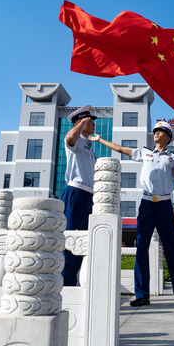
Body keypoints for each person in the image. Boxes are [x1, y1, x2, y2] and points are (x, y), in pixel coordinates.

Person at [91, 121, 174, 306]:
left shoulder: (173, 159)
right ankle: (142, 295)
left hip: (164, 206)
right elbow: (121, 149)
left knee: (171, 249)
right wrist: (100, 140)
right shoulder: (144, 153)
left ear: (168, 137)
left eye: (160, 131)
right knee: (142, 250)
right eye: (155, 131)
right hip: (146, 205)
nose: (156, 133)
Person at [61, 105, 97, 286]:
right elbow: (69, 137)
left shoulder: (89, 147)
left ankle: (72, 281)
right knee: (70, 240)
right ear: (80, 122)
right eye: (90, 120)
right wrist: (81, 124)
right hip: (75, 193)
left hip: (88, 196)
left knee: (82, 242)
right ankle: (64, 283)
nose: (93, 124)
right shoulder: (76, 141)